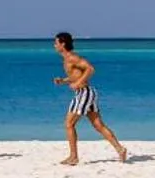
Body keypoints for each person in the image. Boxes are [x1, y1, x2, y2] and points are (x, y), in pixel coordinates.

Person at [52, 32, 126, 166]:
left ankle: (73, 157)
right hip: (86, 93)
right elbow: (76, 75)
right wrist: (63, 80)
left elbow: (90, 69)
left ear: (63, 44)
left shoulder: (72, 58)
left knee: (69, 124)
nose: (54, 45)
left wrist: (79, 82)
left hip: (84, 93)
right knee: (98, 125)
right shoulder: (67, 59)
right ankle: (120, 149)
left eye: (56, 43)